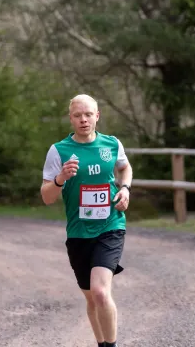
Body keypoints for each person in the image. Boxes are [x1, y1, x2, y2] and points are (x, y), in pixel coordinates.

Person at [40, 94, 133, 347]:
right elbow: (47, 197)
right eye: (78, 115)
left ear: (97, 116)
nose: (83, 120)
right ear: (70, 119)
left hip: (110, 226)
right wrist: (60, 178)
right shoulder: (59, 151)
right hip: (79, 233)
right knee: (92, 298)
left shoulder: (112, 144)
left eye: (88, 114)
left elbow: (125, 167)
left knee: (102, 292)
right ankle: (102, 343)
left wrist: (125, 189)